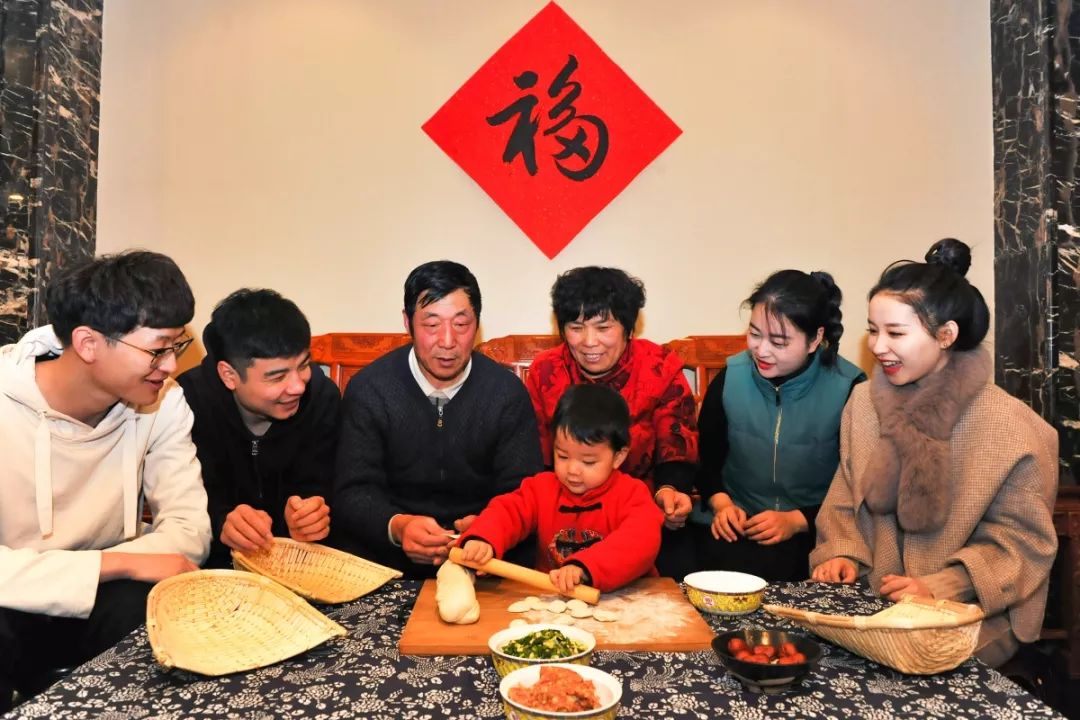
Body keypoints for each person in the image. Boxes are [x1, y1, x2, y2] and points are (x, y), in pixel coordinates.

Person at [810, 239, 1058, 667]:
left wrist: (943, 585)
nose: (877, 346)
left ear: (947, 335)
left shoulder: (1011, 426)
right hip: (875, 601)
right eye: (872, 330)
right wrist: (841, 555)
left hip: (974, 611)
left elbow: (1022, 542)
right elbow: (843, 498)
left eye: (896, 333)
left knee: (912, 671)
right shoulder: (864, 404)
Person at [0, 251, 211, 710]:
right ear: (89, 343)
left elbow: (189, 531)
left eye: (178, 345)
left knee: (158, 610)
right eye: (158, 349)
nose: (172, 366)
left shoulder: (164, 404)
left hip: (101, 600)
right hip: (12, 602)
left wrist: (112, 571)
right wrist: (115, 565)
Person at [333, 261, 542, 577]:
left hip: (485, 561)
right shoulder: (371, 389)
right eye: (431, 325)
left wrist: (493, 528)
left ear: (478, 324)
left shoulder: (506, 393)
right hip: (390, 566)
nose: (447, 341)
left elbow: (524, 490)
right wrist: (399, 527)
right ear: (408, 323)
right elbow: (353, 491)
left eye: (461, 324)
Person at [525, 266, 698, 578]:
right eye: (576, 327)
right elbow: (535, 454)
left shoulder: (659, 367)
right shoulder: (545, 372)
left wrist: (671, 491)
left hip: (641, 507)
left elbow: (677, 442)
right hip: (564, 507)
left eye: (604, 327)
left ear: (629, 328)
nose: (590, 342)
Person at [695, 270, 865, 581]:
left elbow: (859, 486)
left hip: (812, 531)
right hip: (736, 524)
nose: (761, 350)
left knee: (783, 572)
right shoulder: (731, 377)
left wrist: (797, 521)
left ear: (815, 339)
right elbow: (707, 462)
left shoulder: (850, 389)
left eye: (779, 341)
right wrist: (722, 505)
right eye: (755, 334)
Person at [177, 289, 339, 568]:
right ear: (229, 375)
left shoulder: (321, 397)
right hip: (214, 565)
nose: (298, 386)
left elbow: (327, 487)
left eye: (303, 365)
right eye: (277, 377)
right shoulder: (187, 402)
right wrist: (222, 520)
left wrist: (311, 516)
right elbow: (180, 503)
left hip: (300, 565)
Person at [459, 384, 663, 594]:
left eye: (589, 462)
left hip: (628, 601)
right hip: (552, 598)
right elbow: (508, 511)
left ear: (618, 457)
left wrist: (585, 567)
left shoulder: (632, 494)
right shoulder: (541, 488)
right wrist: (483, 537)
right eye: (563, 456)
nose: (573, 470)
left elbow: (640, 540)